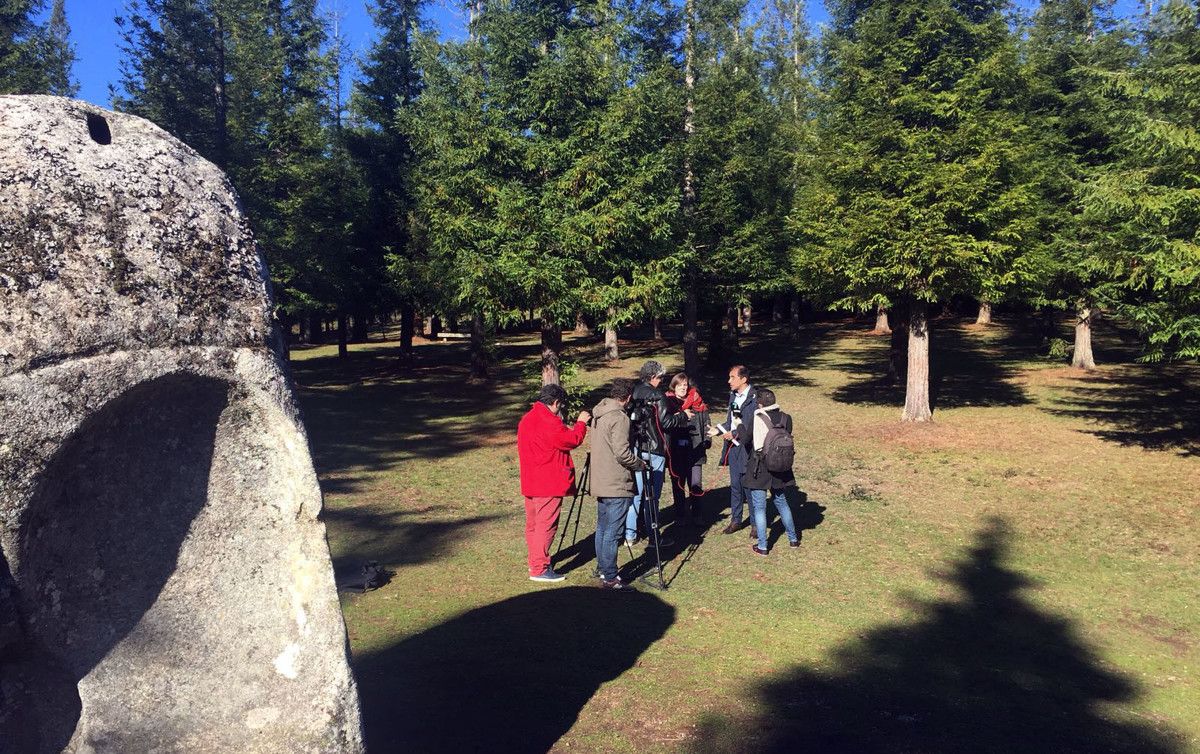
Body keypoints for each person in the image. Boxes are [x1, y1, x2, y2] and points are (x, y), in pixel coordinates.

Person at [516, 384, 590, 582]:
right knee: (546, 525)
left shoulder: (527, 419)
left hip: (531, 480)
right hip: (547, 481)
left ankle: (535, 562)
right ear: (556, 402)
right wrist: (581, 423)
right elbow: (572, 439)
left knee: (533, 524)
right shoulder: (549, 421)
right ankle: (539, 568)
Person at [626, 360, 692, 548]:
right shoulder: (658, 395)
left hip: (636, 446)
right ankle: (654, 537)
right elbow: (666, 422)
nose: (662, 381)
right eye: (661, 377)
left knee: (636, 492)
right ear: (654, 377)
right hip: (654, 448)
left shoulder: (634, 392)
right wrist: (682, 415)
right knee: (652, 495)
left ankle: (630, 534)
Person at [589, 379, 647, 590]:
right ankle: (611, 576)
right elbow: (622, 453)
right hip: (616, 481)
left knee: (603, 529)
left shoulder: (599, 414)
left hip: (601, 480)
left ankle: (603, 568)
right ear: (628, 397)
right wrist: (640, 464)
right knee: (613, 531)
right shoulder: (619, 418)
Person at [740, 387, 800, 555]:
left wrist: (738, 425)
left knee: (759, 507)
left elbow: (745, 440)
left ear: (759, 403)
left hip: (760, 466)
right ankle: (793, 539)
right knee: (781, 502)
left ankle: (763, 546)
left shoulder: (757, 417)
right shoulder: (786, 418)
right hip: (781, 465)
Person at [713, 365, 756, 534]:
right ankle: (736, 520)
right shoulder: (733, 397)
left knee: (749, 487)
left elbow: (752, 425)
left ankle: (754, 523)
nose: (728, 381)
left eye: (732, 377)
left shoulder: (754, 398)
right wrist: (717, 430)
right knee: (735, 486)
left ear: (743, 379)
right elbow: (732, 421)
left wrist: (736, 434)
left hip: (748, 448)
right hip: (734, 449)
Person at [665, 372, 710, 525]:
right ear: (674, 387)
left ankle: (697, 514)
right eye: (680, 385)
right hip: (676, 450)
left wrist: (707, 439)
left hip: (695, 449)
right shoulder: (667, 403)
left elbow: (706, 422)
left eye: (685, 385)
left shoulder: (698, 401)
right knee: (678, 484)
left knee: (695, 484)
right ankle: (680, 515)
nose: (683, 388)